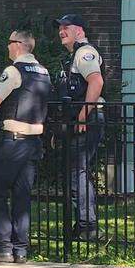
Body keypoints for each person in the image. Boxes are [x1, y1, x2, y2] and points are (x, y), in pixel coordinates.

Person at [0, 29, 51, 263]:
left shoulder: (13, 71)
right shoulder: (44, 72)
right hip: (34, 142)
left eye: (9, 42)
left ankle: (1, 246)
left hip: (12, 141)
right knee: (22, 195)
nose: (7, 47)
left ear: (18, 45)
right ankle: (20, 249)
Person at [54, 14, 105, 243]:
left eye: (67, 27)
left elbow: (96, 81)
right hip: (77, 122)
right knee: (76, 172)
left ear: (80, 31)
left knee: (78, 172)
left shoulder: (84, 53)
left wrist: (83, 117)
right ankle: (84, 224)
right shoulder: (73, 57)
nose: (62, 31)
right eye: (60, 28)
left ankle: (88, 227)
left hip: (87, 121)